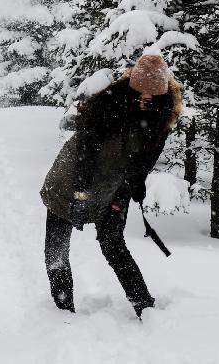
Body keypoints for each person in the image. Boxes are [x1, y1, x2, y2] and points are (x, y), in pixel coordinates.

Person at [40, 54, 183, 319]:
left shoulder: (158, 126)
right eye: (138, 95)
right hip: (69, 181)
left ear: (162, 99)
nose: (143, 102)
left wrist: (123, 197)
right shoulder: (108, 106)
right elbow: (84, 156)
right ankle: (62, 313)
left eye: (150, 100)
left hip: (111, 189)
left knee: (114, 246)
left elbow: (140, 167)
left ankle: (146, 309)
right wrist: (80, 197)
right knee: (56, 251)